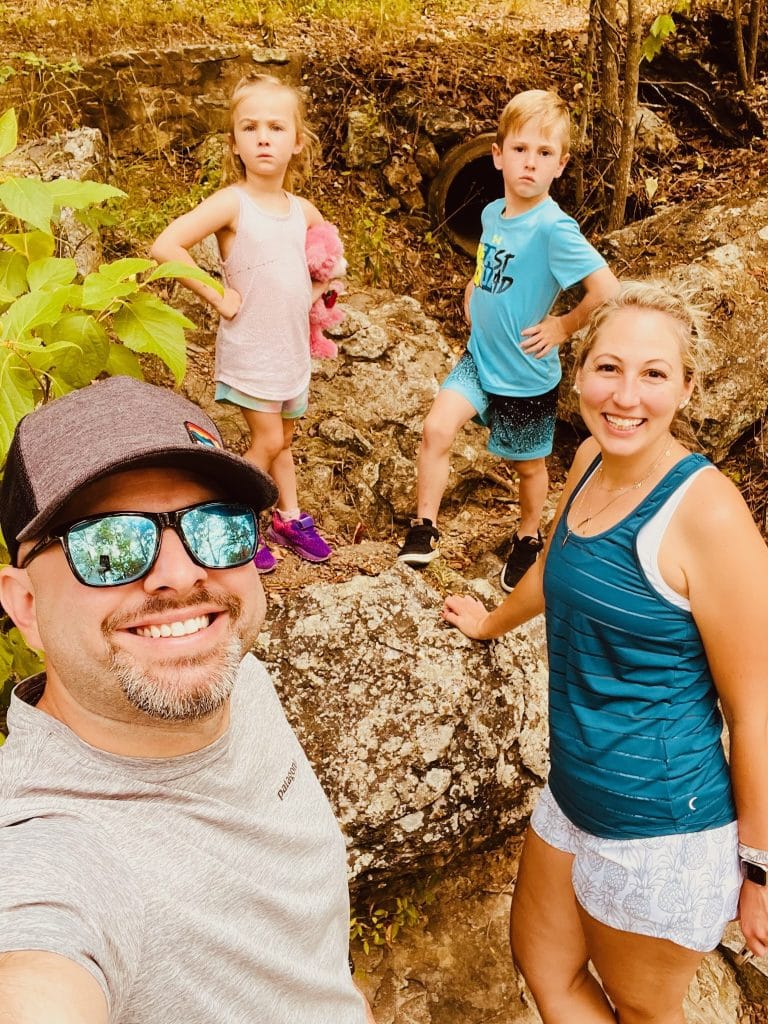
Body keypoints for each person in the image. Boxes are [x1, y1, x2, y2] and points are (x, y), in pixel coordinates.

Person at [441, 281, 768, 1023]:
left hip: (662, 828)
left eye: (654, 373)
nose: (626, 396)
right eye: (608, 368)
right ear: (579, 372)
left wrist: (760, 871)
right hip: (574, 795)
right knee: (546, 968)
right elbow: (556, 569)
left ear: (686, 389)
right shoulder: (589, 457)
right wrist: (490, 623)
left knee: (645, 1012)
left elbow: (756, 712)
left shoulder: (708, 514)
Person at [0, 376, 374, 1024]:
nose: (182, 574)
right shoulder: (53, 853)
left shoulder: (235, 673)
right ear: (26, 605)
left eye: (216, 526)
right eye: (108, 544)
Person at [397, 89, 618, 590]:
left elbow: (607, 290)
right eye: (520, 149)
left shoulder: (554, 229)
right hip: (479, 359)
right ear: (497, 155)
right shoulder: (492, 213)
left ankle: (527, 537)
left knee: (527, 467)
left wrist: (563, 326)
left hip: (525, 375)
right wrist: (474, 286)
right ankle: (424, 527)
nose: (530, 163)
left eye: (544, 153)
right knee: (436, 429)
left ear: (560, 165)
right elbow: (492, 262)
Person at [151, 73, 332, 573]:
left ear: (298, 142)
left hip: (291, 350)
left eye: (276, 127)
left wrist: (321, 291)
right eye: (250, 128)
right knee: (268, 441)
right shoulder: (233, 203)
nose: (263, 138)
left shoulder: (303, 211)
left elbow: (324, 263)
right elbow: (166, 244)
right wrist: (217, 295)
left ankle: (288, 518)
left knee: (284, 442)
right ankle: (226, 520)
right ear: (234, 143)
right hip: (253, 349)